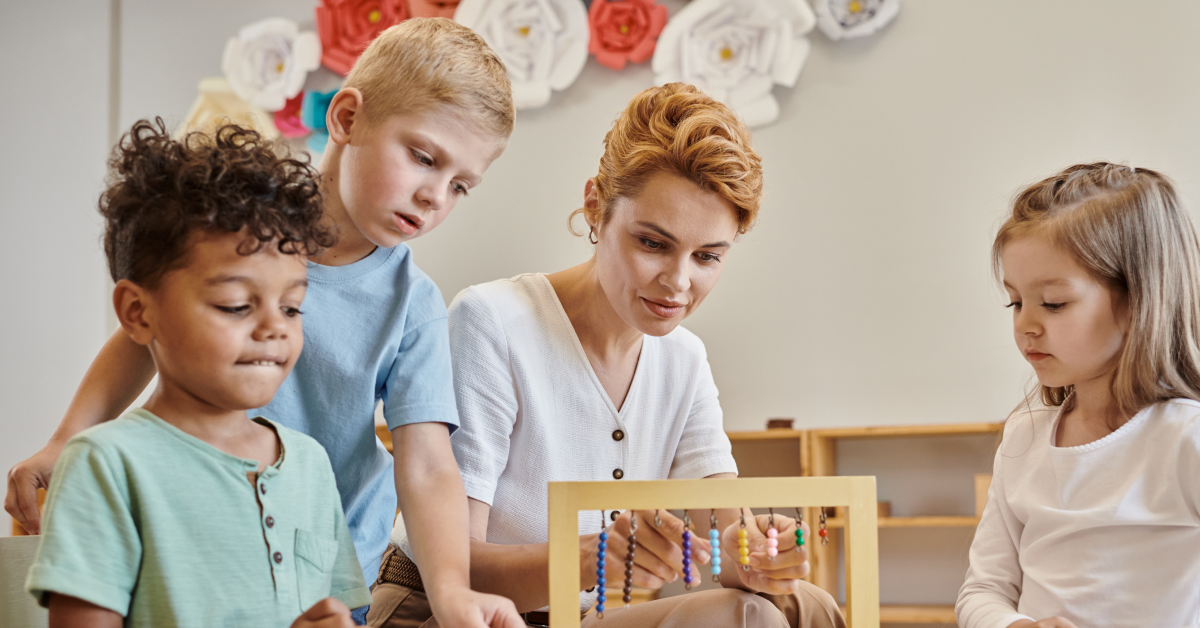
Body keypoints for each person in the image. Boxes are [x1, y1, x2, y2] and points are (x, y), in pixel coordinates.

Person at [7, 18, 522, 628]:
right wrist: (70, 435)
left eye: (461, 184)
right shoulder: (240, 229)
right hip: (193, 537)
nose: (435, 195)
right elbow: (143, 334)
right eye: (422, 158)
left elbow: (429, 463)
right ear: (348, 118)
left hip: (318, 568)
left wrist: (451, 591)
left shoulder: (413, 301)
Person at [370, 84, 845, 628]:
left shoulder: (684, 360)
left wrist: (760, 558)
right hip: (439, 614)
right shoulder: (494, 321)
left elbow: (729, 548)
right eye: (653, 243)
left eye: (708, 256)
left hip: (571, 618)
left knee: (805, 604)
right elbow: (453, 570)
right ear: (596, 204)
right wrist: (592, 556)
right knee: (746, 619)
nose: (678, 282)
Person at [26, 119, 367, 627]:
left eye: (293, 307)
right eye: (234, 305)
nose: (275, 327)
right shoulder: (106, 466)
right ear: (139, 313)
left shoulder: (311, 466)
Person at [957, 163, 1200, 628]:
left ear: (1137, 301)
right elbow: (983, 589)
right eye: (1015, 301)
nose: (1026, 323)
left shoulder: (1184, 437)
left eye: (1053, 303)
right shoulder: (1024, 436)